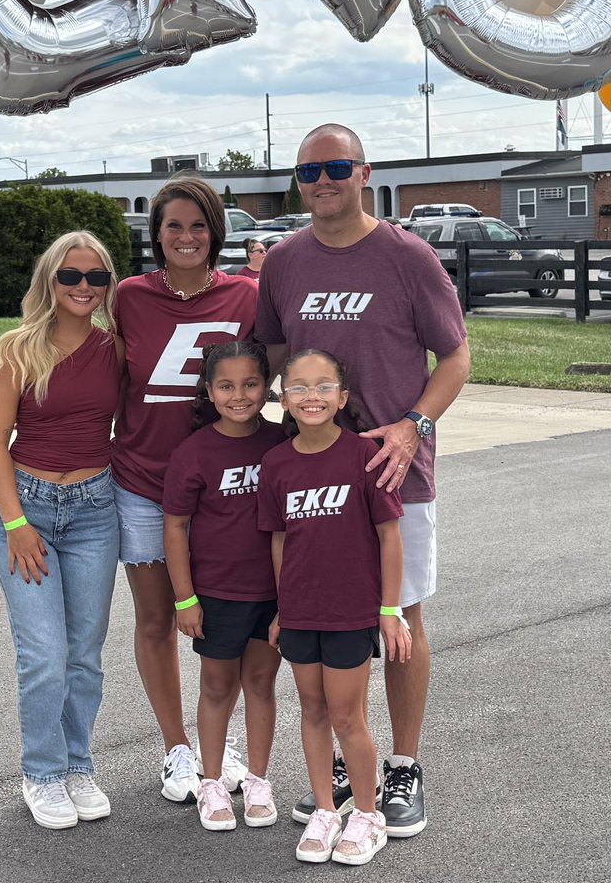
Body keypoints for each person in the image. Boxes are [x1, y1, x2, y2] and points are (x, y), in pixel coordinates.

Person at [255, 123, 470, 839]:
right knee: (326, 620)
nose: (323, 181)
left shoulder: (407, 257)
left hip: (390, 471)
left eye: (337, 167)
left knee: (401, 617)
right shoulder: (283, 263)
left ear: (364, 173)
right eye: (310, 171)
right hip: (315, 475)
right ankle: (352, 766)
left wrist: (414, 426)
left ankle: (402, 766)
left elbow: (456, 358)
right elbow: (279, 358)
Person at [111, 175, 259, 803]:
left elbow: (267, 380)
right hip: (143, 480)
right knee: (158, 618)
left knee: (235, 617)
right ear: (156, 234)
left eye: (198, 225)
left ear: (216, 232)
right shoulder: (129, 297)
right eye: (174, 225)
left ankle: (236, 746)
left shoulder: (248, 296)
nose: (187, 237)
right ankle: (176, 747)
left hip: (224, 490)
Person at [0, 231, 122, 831]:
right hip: (28, 508)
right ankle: (42, 772)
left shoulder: (116, 349)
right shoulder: (19, 348)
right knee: (45, 654)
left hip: (96, 509)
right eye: (72, 276)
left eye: (97, 277)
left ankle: (77, 766)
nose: (84, 287)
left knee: (85, 656)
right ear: (50, 281)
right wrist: (15, 522)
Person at [258, 349, 410, 865]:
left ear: (343, 397)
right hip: (301, 612)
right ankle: (326, 809)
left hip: (350, 612)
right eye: (298, 387)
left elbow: (390, 537)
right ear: (284, 399)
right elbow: (280, 541)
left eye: (324, 386)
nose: (311, 396)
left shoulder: (364, 458)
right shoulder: (276, 464)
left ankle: (367, 814)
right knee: (314, 710)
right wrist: (281, 609)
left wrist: (390, 611)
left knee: (348, 716)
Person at [163, 341, 285, 832]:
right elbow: (174, 528)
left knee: (261, 684)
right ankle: (211, 782)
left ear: (267, 387)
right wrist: (185, 598)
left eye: (251, 384)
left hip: (273, 594)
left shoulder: (281, 442)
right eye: (227, 386)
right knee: (217, 688)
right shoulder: (193, 452)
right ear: (209, 391)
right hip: (215, 595)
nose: (240, 395)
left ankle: (257, 780)